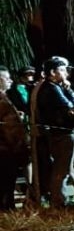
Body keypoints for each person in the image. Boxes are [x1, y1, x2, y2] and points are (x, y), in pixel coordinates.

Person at [31, 56, 74, 209]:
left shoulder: (52, 87)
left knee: (61, 167)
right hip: (60, 133)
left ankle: (58, 199)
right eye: (62, 70)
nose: (66, 74)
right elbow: (71, 107)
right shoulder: (52, 89)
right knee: (61, 168)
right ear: (52, 72)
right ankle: (59, 201)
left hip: (57, 132)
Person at [0, 67, 29, 211]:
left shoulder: (5, 97)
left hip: (5, 147)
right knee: (7, 182)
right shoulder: (2, 101)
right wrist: (19, 145)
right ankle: (7, 209)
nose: (10, 81)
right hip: (5, 149)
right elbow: (8, 128)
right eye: (6, 78)